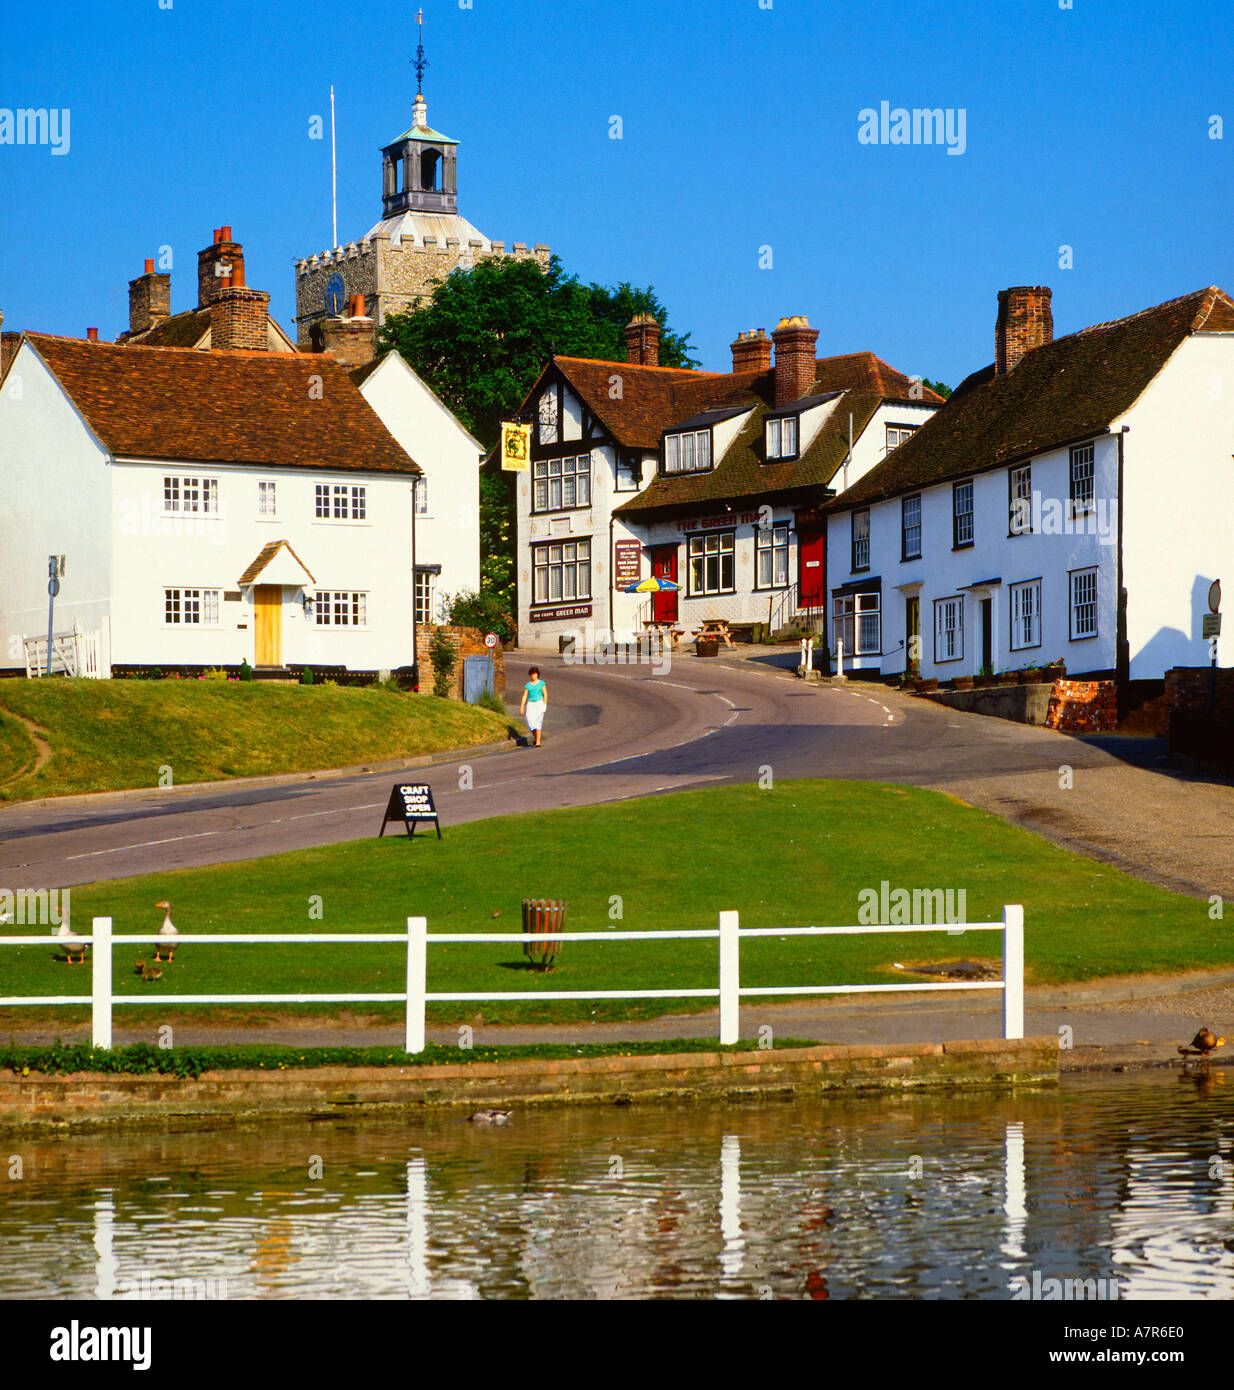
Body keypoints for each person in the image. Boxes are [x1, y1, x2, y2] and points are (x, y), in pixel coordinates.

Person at [520, 666, 548, 747]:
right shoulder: (528, 685)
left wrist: (544, 704)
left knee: (538, 722)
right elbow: (525, 696)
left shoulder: (541, 683)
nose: (533, 676)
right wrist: (522, 706)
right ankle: (536, 737)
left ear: (537, 674)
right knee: (530, 722)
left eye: (534, 674)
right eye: (532, 674)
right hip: (531, 704)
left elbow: (545, 694)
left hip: (539, 703)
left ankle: (538, 742)